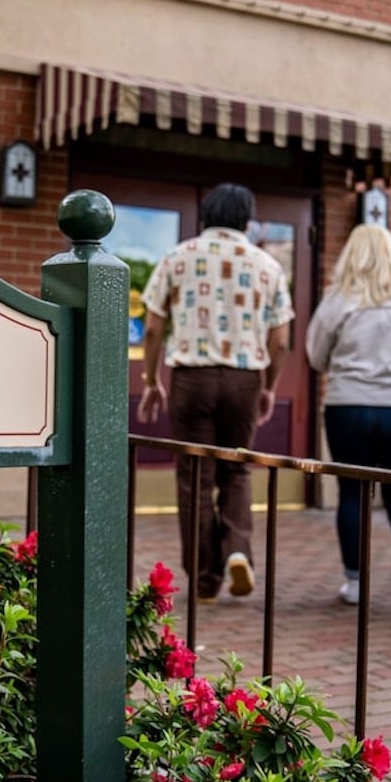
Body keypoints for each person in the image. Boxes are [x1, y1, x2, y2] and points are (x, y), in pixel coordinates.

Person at [137, 183, 294, 604]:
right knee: (237, 469)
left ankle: (205, 579)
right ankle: (238, 550)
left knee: (194, 478)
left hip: (192, 378)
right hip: (245, 379)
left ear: (206, 216)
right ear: (247, 220)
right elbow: (280, 341)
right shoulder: (268, 266)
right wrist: (269, 386)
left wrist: (152, 382)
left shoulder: (178, 257)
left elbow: (152, 328)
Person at [306, 223, 391, 612]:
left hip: (350, 406)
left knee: (352, 492)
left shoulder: (338, 298)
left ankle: (355, 582)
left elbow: (316, 356)